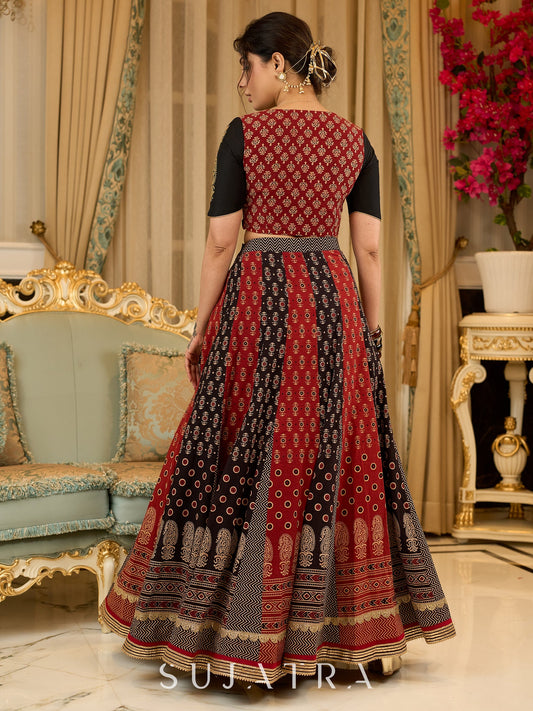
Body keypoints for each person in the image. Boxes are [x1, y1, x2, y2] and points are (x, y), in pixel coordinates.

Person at [100, 11, 456, 689]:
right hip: (331, 305)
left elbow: (219, 241)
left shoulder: (247, 135)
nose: (243, 83)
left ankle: (226, 629)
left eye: (248, 67)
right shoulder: (355, 140)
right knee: (329, 458)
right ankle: (349, 633)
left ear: (279, 65)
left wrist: (199, 325)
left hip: (259, 302)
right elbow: (370, 250)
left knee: (243, 447)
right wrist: (370, 333)